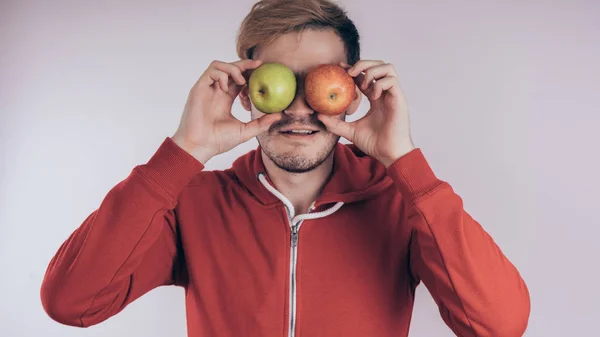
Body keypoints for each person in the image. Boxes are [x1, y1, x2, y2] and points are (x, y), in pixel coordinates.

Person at [40, 0, 531, 336]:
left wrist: (405, 164)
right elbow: (72, 302)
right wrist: (184, 150)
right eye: (280, 82)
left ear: (354, 90)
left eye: (320, 82)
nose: (299, 107)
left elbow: (498, 325)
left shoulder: (402, 204)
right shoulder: (192, 201)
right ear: (243, 88)